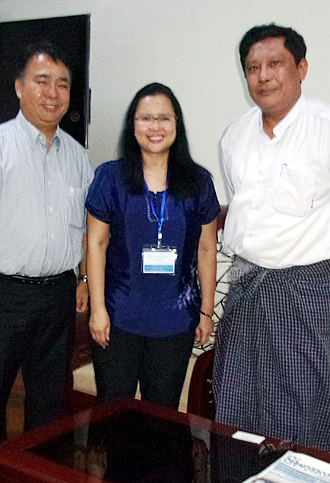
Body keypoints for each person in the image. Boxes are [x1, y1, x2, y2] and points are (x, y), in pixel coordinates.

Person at [213, 24, 330, 453]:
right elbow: (245, 211)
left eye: (275, 64)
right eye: (253, 67)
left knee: (304, 409)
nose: (263, 76)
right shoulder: (234, 137)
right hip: (248, 283)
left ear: (301, 68)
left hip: (310, 288)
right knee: (237, 403)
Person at [0, 41, 94, 482]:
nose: (52, 93)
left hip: (59, 295)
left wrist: (82, 278)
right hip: (2, 296)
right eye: (42, 81)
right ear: (19, 87)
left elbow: (85, 227)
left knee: (49, 405)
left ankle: (35, 476)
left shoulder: (77, 157)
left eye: (62, 84)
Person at [86, 82, 220, 410]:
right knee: (112, 416)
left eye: (164, 118)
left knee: (162, 418)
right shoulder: (110, 177)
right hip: (117, 320)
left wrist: (206, 311)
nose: (155, 127)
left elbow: (206, 249)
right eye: (146, 118)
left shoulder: (198, 181)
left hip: (175, 323)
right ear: (132, 127)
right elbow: (96, 244)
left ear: (177, 125)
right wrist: (98, 309)